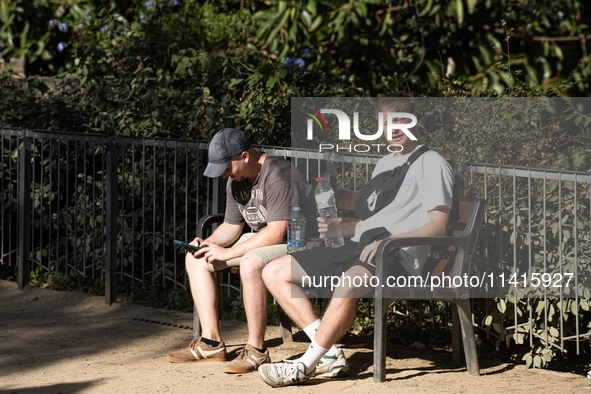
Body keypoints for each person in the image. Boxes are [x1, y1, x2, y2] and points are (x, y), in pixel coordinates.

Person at [258, 94, 454, 387]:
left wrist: (389, 240)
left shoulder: (431, 162)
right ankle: (327, 352)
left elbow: (439, 226)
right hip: (363, 248)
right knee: (273, 271)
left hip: (397, 255)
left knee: (349, 281)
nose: (393, 128)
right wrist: (342, 227)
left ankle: (305, 365)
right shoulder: (385, 163)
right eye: (386, 123)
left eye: (401, 120)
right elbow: (375, 221)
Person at [166, 128, 317, 374]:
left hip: (301, 242)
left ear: (245, 156)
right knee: (195, 260)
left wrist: (227, 253)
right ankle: (211, 342)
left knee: (250, 261)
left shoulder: (279, 174)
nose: (223, 173)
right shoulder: (235, 180)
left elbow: (278, 231)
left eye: (226, 166)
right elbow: (231, 226)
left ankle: (256, 350)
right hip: (266, 239)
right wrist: (208, 243)